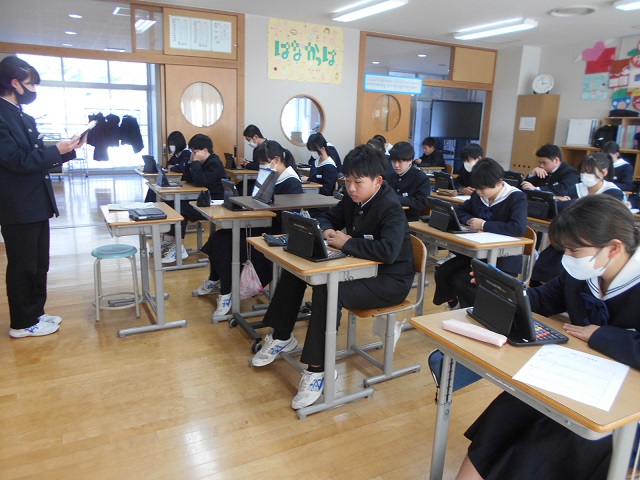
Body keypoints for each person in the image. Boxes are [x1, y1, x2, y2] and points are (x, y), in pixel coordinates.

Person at [456, 195, 640, 480]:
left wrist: (601, 335)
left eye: (575, 250)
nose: (568, 258)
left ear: (614, 248)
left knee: (545, 446)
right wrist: (504, 288)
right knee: (509, 410)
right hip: (578, 378)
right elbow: (543, 299)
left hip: (623, 406)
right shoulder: (584, 272)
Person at [249, 144, 415, 410]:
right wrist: (326, 231)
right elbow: (327, 217)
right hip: (359, 268)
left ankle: (318, 369)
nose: (351, 188)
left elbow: (389, 251)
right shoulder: (353, 198)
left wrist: (347, 242)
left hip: (389, 281)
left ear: (377, 181)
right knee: (296, 272)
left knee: (328, 290)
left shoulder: (390, 207)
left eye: (358, 182)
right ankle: (282, 336)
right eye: (347, 180)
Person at [0, 56, 84, 338]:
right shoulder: (1, 115)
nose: (33, 89)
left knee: (39, 263)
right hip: (17, 204)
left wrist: (68, 150)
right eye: (30, 83)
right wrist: (55, 151)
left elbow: (36, 157)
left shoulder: (22, 115)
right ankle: (22, 323)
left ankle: (35, 311)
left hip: (36, 201)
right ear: (14, 83)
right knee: (23, 265)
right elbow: (15, 160)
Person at [196, 140, 304, 316]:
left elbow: (284, 218)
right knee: (217, 238)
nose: (261, 167)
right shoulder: (272, 175)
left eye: (263, 163)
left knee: (226, 244)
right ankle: (216, 279)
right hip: (260, 223)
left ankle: (227, 290)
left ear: (276, 160)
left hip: (274, 232)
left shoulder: (291, 182)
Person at [433, 158, 528, 309]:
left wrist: (484, 225)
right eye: (476, 188)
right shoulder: (479, 195)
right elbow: (460, 210)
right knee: (443, 272)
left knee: (462, 280)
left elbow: (517, 228)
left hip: (503, 258)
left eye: (482, 189)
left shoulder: (516, 197)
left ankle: (474, 313)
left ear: (499, 183)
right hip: (476, 253)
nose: (478, 192)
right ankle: (454, 304)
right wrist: (470, 220)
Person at [530, 153, 624, 286]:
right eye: (583, 171)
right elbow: (560, 208)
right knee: (546, 259)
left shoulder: (613, 192)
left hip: (591, 240)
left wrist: (571, 203)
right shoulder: (576, 188)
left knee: (561, 264)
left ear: (603, 173)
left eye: (590, 172)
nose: (585, 175)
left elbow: (597, 217)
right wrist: (573, 203)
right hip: (568, 235)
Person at [161, 134, 227, 264]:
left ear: (205, 151)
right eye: (192, 152)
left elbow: (199, 181)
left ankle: (179, 248)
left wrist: (195, 162)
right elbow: (187, 178)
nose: (193, 154)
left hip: (215, 204)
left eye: (195, 152)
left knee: (180, 209)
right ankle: (170, 240)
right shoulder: (202, 162)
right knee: (171, 202)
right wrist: (190, 162)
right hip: (204, 200)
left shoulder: (214, 163)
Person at [385, 141, 430, 221]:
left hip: (409, 218)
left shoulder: (420, 177)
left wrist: (395, 198)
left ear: (410, 161)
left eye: (400, 162)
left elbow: (421, 203)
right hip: (389, 216)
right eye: (394, 161)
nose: (396, 165)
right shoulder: (390, 176)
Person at [144, 131, 190, 203]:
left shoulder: (186, 153)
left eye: (173, 144)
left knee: (156, 189)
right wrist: (173, 166)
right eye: (170, 144)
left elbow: (181, 168)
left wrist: (173, 167)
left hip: (183, 182)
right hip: (175, 181)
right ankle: (149, 205)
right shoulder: (176, 155)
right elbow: (168, 164)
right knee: (153, 187)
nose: (171, 146)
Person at [304, 132, 339, 197]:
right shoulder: (315, 163)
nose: (312, 152)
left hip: (323, 199)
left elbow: (327, 190)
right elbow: (312, 179)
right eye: (311, 150)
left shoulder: (330, 167)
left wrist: (313, 188)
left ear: (323, 149)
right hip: (311, 196)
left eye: (314, 150)